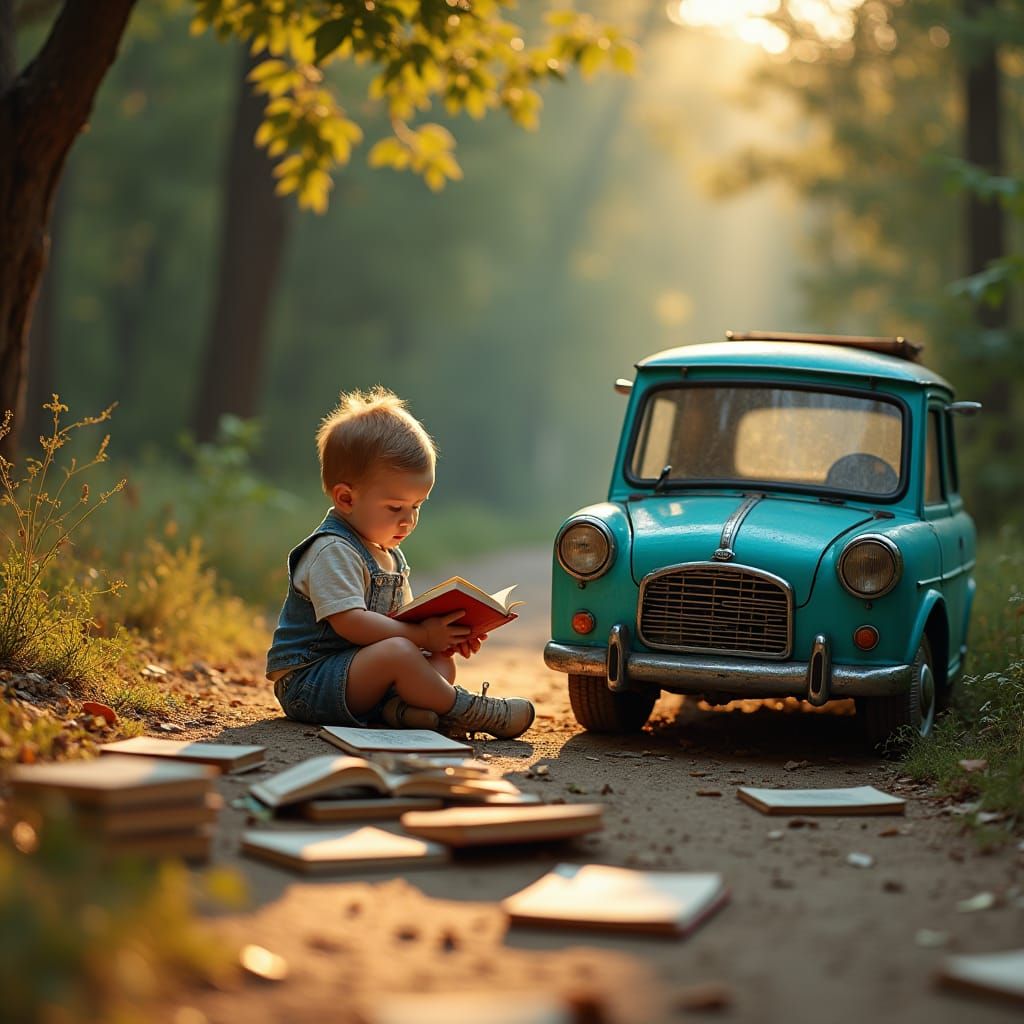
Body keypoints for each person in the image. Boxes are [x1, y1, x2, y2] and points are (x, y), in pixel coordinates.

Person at [266, 386, 535, 740]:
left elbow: (398, 624)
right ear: (346, 498)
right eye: (395, 508)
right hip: (311, 683)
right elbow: (351, 624)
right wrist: (420, 636)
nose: (408, 520)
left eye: (417, 506)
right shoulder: (332, 550)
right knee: (399, 651)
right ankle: (466, 710)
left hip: (364, 678)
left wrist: (440, 638)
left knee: (439, 661)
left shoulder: (390, 555)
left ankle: (400, 711)